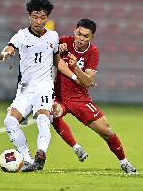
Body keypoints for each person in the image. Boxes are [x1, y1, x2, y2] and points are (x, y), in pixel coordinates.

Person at [0, 0, 78, 172]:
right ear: (29, 16)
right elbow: (10, 47)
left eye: (43, 17)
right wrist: (6, 53)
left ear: (47, 18)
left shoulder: (53, 36)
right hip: (25, 89)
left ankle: (41, 154)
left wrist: (73, 77)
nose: (39, 21)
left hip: (44, 87)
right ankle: (27, 160)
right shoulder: (21, 35)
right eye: (35, 16)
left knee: (43, 118)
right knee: (10, 122)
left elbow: (57, 61)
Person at [52, 18, 137, 174]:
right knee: (52, 113)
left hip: (79, 98)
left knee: (106, 131)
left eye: (86, 36)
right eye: (79, 34)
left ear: (91, 37)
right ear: (74, 31)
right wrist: (55, 48)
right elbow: (45, 51)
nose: (81, 39)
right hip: (59, 96)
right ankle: (76, 147)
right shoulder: (63, 41)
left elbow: (87, 82)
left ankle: (124, 162)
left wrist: (76, 66)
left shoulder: (93, 52)